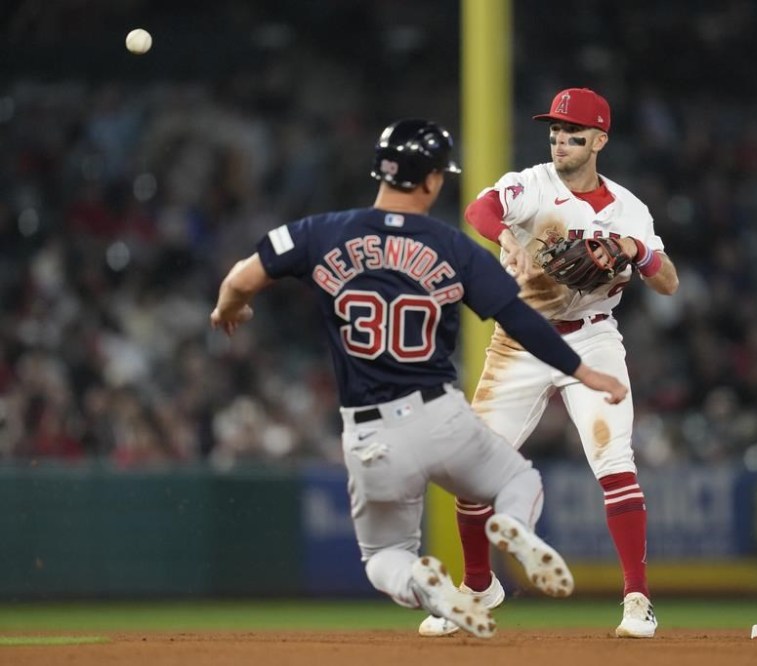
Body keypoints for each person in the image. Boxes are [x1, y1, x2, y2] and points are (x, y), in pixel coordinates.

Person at [210, 118, 629, 639]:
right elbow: (519, 318)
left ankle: (428, 586)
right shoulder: (454, 248)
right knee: (519, 481)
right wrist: (584, 370)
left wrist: (231, 309)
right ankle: (515, 528)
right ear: (432, 180)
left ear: (381, 172)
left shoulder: (319, 231)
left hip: (369, 433)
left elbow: (240, 278)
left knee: (383, 556)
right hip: (440, 415)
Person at [418, 89, 679, 639]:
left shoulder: (630, 209)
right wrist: (508, 242)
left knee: (614, 460)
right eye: (556, 131)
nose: (560, 140)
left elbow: (668, 281)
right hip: (523, 340)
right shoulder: (532, 184)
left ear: (600, 141)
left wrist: (635, 250)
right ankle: (478, 586)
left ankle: (637, 599)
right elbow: (479, 209)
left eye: (574, 133)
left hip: (594, 339)